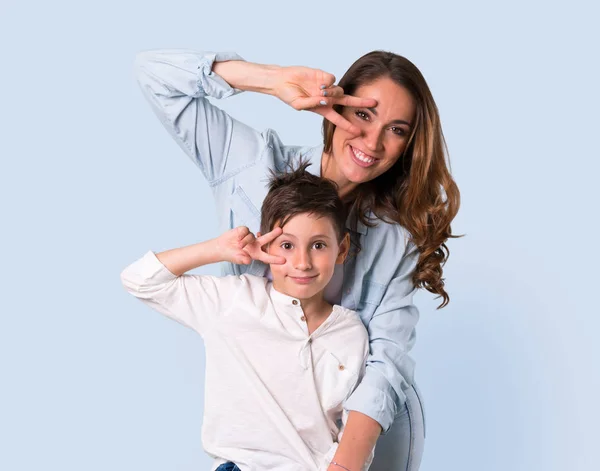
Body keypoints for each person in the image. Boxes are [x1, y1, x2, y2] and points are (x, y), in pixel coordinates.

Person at [134, 47, 460, 471]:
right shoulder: (250, 164)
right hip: (266, 442)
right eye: (363, 115)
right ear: (335, 105)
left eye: (396, 129)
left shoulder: (395, 236)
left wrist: (345, 465)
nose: (373, 142)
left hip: (361, 441)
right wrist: (270, 80)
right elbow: (153, 74)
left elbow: (387, 360)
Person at [121, 164, 373, 471]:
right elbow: (140, 279)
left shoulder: (351, 332)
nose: (302, 262)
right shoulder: (235, 300)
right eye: (287, 245)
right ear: (266, 245)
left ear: (341, 249)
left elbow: (353, 429)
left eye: (318, 245)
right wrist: (218, 249)